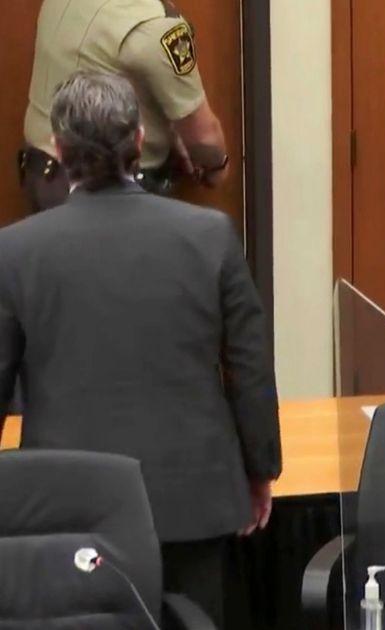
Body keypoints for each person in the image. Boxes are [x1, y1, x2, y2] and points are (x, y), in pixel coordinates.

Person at [0, 71, 278, 626]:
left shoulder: (15, 251)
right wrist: (259, 470)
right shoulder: (210, 236)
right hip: (193, 503)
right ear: (138, 140)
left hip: (67, 508)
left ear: (58, 148)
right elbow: (249, 365)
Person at [19, 0, 228, 214]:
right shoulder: (153, 27)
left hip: (43, 173)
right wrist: (216, 168)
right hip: (108, 197)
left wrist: (172, 134)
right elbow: (204, 137)